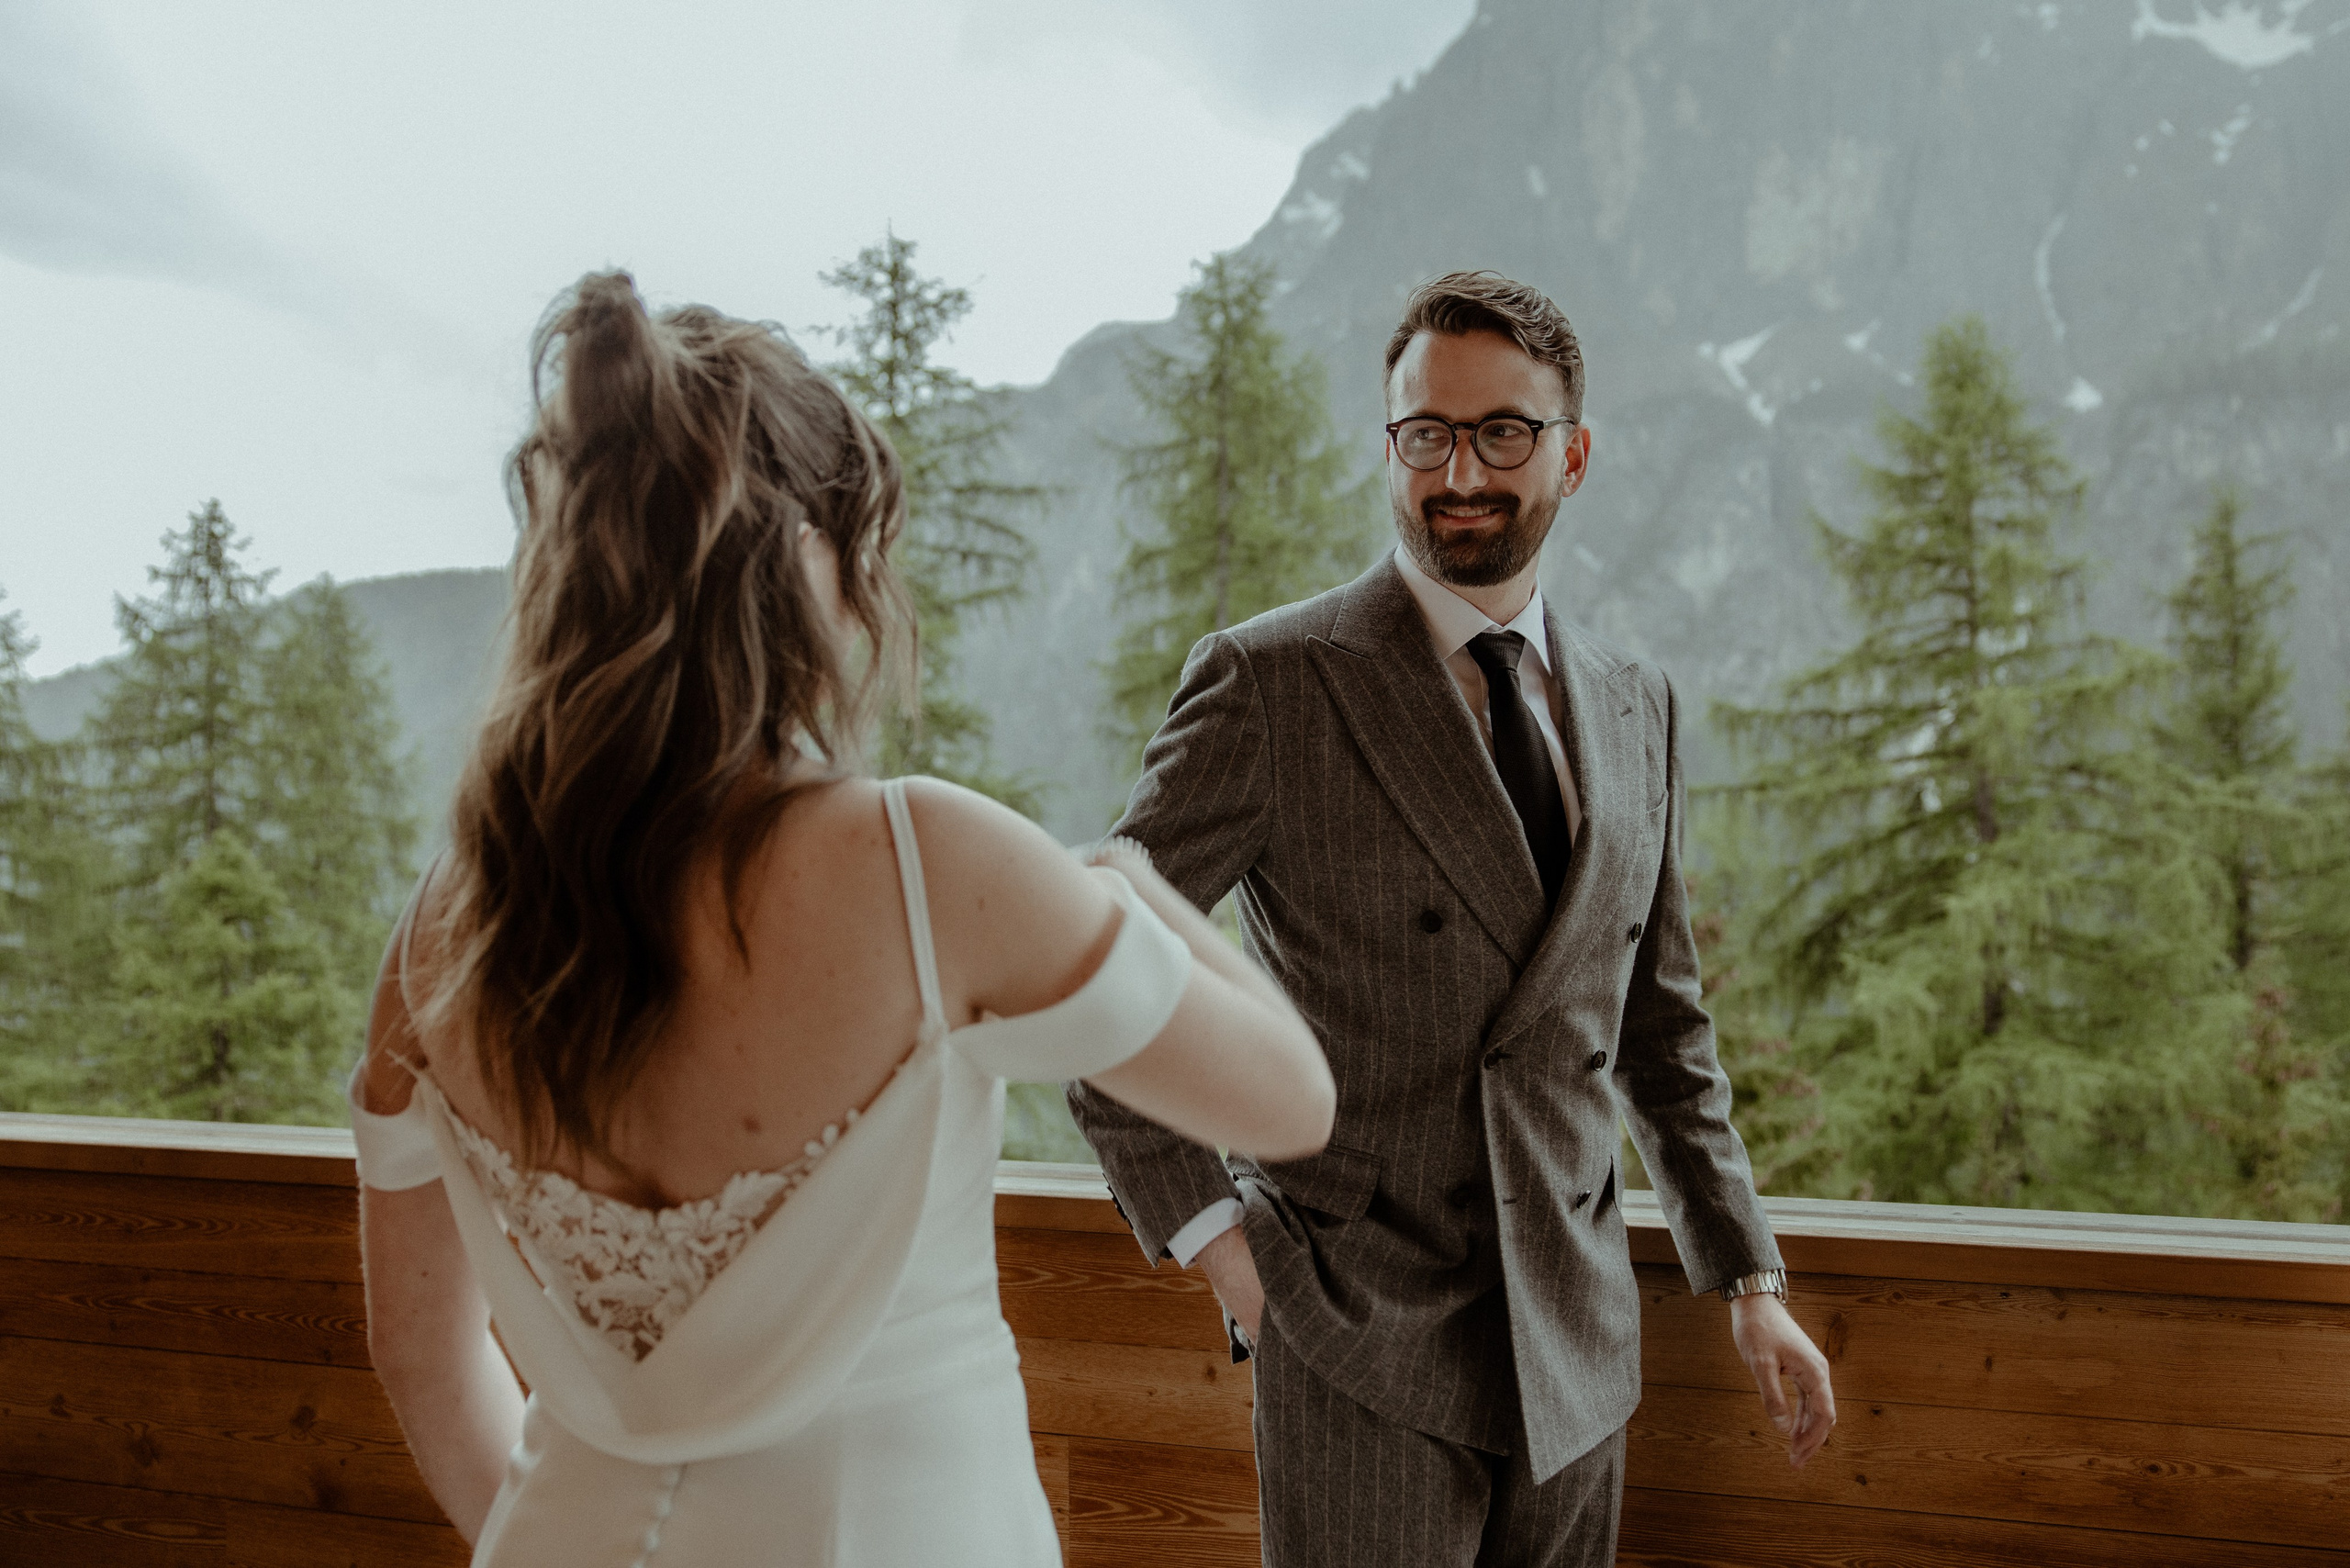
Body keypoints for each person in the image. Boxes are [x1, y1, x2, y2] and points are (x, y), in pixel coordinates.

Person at [352, 272, 1334, 1568]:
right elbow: (1293, 1104)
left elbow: (423, 1359)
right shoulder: (929, 866)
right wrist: (1131, 888)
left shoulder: (443, 930)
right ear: (810, 560)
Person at [1068, 270, 1836, 1567]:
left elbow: (1661, 1038)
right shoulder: (1274, 683)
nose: (1459, 471)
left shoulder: (1634, 703)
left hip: (1576, 1346)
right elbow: (1095, 967)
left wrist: (1749, 1284)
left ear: (1573, 455)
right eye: (1426, 434)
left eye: (1502, 433)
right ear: (1390, 449)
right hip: (1357, 1333)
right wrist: (1230, 1255)